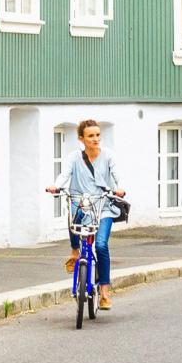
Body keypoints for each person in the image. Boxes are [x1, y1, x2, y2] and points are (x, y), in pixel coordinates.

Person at [45, 119, 125, 310]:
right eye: (91, 136)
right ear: (82, 139)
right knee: (73, 213)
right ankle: (75, 252)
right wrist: (57, 186)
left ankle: (104, 294)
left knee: (101, 245)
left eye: (97, 135)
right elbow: (65, 174)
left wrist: (119, 188)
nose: (95, 139)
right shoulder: (74, 158)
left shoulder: (108, 156)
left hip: (102, 206)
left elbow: (117, 175)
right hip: (81, 203)